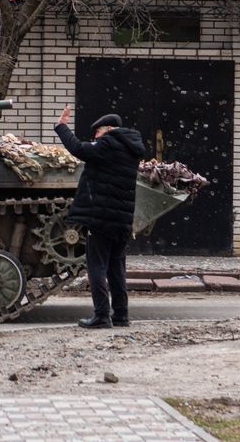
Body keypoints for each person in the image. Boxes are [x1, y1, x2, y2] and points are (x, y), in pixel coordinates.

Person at [54, 105, 146, 329]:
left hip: (101, 218)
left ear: (106, 129)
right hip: (122, 220)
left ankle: (101, 316)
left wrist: (61, 127)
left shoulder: (108, 144)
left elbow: (78, 149)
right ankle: (121, 316)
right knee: (116, 268)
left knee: (97, 267)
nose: (94, 136)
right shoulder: (131, 149)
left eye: (96, 132)